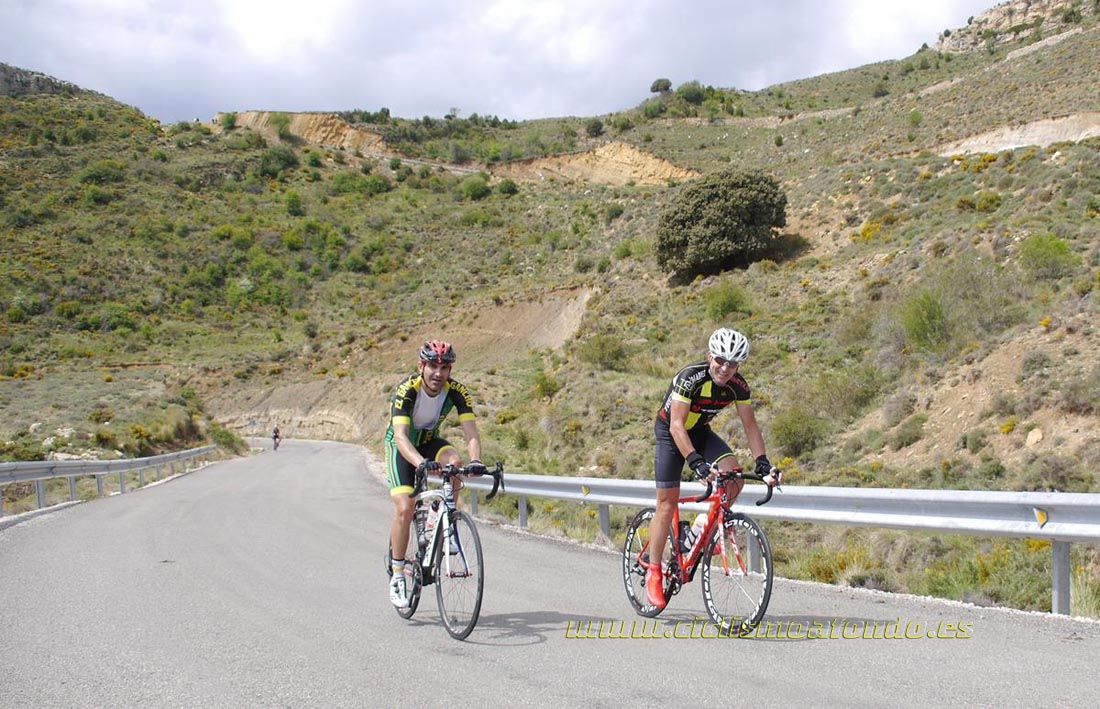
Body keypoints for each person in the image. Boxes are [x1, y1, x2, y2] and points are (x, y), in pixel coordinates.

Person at [645, 327, 781, 610]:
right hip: (671, 433)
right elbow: (676, 426)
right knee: (667, 504)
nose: (725, 368)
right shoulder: (690, 377)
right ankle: (654, 570)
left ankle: (696, 532)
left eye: (733, 364)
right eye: (720, 360)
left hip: (700, 432)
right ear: (710, 356)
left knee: (734, 477)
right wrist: (695, 462)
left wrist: (763, 463)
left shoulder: (739, 386)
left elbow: (750, 426)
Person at [384, 340, 486, 608]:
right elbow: (402, 438)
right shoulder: (407, 390)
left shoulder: (457, 391)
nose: (438, 373)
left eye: (444, 367)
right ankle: (397, 573)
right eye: (432, 366)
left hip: (429, 439)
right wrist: (420, 462)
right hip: (402, 447)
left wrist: (476, 460)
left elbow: (470, 431)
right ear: (421, 366)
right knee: (405, 508)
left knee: (454, 463)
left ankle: (438, 520)